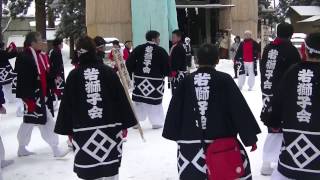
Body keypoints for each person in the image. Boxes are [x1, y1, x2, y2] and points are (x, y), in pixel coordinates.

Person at [163, 44, 261, 180]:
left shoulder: (186, 81)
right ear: (217, 60)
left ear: (196, 60)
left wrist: (175, 134)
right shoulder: (224, 80)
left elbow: (174, 110)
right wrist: (249, 137)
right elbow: (238, 109)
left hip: (191, 149)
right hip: (223, 146)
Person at [55, 36, 137, 180]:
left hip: (83, 130)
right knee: (110, 168)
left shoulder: (74, 76)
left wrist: (68, 129)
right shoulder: (108, 72)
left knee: (90, 170)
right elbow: (120, 100)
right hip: (110, 129)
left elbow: (67, 105)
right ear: (94, 52)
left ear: (79, 54)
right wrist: (125, 124)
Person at [266, 33, 320, 180]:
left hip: (291, 161)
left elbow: (278, 101)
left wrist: (273, 122)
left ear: (305, 50)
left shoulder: (293, 72)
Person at [15, 32, 69, 157]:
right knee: (46, 121)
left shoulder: (40, 56)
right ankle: (56, 149)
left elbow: (44, 74)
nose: (42, 42)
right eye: (39, 40)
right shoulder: (24, 57)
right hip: (33, 97)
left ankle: (22, 147)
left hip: (41, 95)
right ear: (32, 43)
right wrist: (28, 100)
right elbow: (23, 80)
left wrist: (53, 84)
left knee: (29, 122)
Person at [259, 23, 301, 176]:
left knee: (273, 127)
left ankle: (268, 161)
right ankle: (272, 161)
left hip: (267, 93)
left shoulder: (269, 48)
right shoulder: (291, 51)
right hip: (282, 95)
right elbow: (295, 75)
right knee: (280, 128)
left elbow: (263, 69)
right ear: (291, 34)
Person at [126, 30, 170, 129]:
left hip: (140, 81)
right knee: (154, 103)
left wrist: (134, 71)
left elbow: (129, 62)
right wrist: (165, 73)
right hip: (155, 82)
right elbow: (167, 67)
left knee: (139, 101)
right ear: (154, 39)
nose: (159, 40)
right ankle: (156, 122)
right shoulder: (161, 51)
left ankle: (136, 122)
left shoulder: (139, 48)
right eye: (158, 38)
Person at [170, 29, 187, 94]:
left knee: (177, 93)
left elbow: (176, 62)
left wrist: (172, 73)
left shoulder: (178, 47)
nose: (172, 39)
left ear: (179, 38)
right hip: (178, 72)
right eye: (172, 37)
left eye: (174, 37)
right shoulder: (177, 46)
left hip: (178, 73)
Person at [49, 38, 66, 102]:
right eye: (61, 43)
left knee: (57, 88)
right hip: (57, 74)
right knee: (59, 89)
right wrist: (58, 75)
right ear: (58, 44)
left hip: (56, 73)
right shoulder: (56, 52)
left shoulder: (54, 51)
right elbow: (56, 65)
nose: (62, 45)